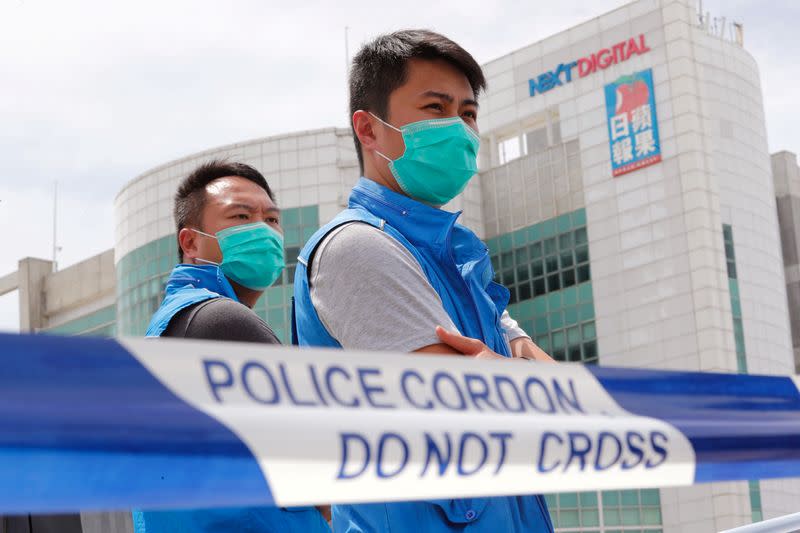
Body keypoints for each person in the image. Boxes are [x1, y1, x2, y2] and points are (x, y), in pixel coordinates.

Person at [292, 30, 554, 532]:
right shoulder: (358, 248)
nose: (458, 128)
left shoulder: (452, 259)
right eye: (435, 108)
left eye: (469, 113)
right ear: (368, 130)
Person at [133, 160, 330, 533]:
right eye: (241, 216)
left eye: (272, 220)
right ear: (190, 242)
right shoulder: (219, 321)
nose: (263, 229)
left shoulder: (176, 323)